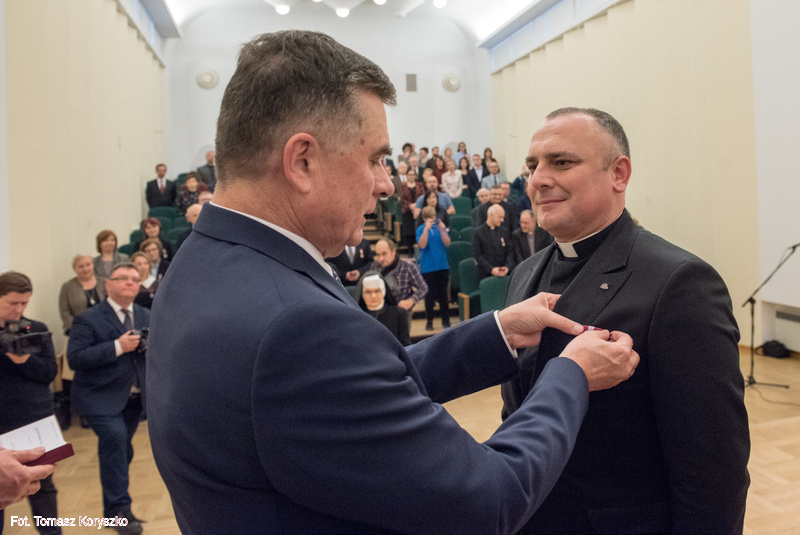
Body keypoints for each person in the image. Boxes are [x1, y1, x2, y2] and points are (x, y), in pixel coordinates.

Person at [146, 31, 638, 534]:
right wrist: (569, 373)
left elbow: (348, 394)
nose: (386, 183)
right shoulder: (297, 326)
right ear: (302, 161)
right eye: (375, 159)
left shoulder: (205, 260)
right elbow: (491, 499)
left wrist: (497, 332)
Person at [503, 107, 750, 534]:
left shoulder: (679, 283)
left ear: (618, 174)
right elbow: (516, 412)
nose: (538, 179)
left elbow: (713, 472)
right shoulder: (525, 273)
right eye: (532, 165)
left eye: (561, 162)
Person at [67, 263, 149, 534]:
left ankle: (114, 508)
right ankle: (119, 512)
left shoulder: (146, 315)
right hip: (99, 396)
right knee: (115, 441)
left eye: (135, 279)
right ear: (108, 285)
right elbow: (76, 358)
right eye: (123, 278)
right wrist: (117, 347)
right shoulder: (88, 318)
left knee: (120, 449)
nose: (130, 282)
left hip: (133, 398)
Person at [0, 272, 60, 534]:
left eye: (24, 303)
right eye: (12, 303)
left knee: (43, 485)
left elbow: (50, 372)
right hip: (3, 419)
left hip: (36, 418)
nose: (19, 309)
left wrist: (25, 360)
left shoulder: (36, 329)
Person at [58, 254, 107, 423]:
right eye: (81, 266)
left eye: (88, 265)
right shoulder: (68, 287)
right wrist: (80, 332)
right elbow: (65, 313)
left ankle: (101, 407)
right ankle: (84, 412)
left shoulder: (103, 282)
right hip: (77, 337)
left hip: (102, 335)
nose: (85, 269)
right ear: (75, 269)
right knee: (80, 375)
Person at [371, 238, 427, 324]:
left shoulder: (408, 267)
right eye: (378, 255)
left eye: (384, 254)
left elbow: (423, 288)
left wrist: (411, 301)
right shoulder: (374, 267)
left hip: (402, 314)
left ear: (393, 251)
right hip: (381, 314)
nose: (381, 259)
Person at [416, 206, 451, 330]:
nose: (432, 220)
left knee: (443, 295)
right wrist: (426, 229)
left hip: (442, 265)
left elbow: (447, 243)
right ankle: (429, 322)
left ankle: (446, 321)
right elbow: (422, 245)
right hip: (428, 267)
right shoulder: (420, 229)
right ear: (424, 218)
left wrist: (442, 230)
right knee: (429, 296)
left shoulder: (440, 227)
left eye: (433, 217)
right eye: (429, 218)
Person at [356, 272, 410, 346]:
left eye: (377, 291)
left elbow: (406, 345)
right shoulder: (357, 316)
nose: (373, 296)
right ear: (362, 294)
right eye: (368, 292)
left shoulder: (399, 313)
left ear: (384, 291)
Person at [473, 204, 516, 280]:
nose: (502, 220)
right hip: (486, 275)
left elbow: (510, 252)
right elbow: (478, 255)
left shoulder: (505, 231)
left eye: (503, 217)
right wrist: (491, 269)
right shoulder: (478, 232)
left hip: (505, 273)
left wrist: (507, 267)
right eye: (500, 217)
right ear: (491, 215)